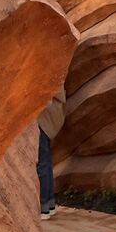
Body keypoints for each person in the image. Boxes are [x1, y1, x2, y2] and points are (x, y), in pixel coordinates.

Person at [37, 87, 66, 221]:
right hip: (50, 116)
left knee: (42, 163)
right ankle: (49, 204)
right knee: (46, 162)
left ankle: (44, 207)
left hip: (44, 117)